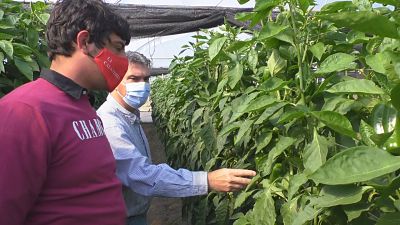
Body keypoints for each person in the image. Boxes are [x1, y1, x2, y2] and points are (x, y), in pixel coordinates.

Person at [0, 1, 132, 224]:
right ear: (84, 42)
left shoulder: (82, 105)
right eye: (118, 48)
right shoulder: (25, 111)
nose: (124, 60)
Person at [97, 51, 257, 225]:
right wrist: (207, 180)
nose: (142, 85)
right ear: (114, 80)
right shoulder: (110, 122)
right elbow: (141, 175)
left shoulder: (129, 116)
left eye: (146, 79)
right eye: (134, 79)